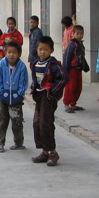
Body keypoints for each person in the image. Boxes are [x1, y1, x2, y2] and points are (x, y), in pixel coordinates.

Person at [30, 36, 67, 166]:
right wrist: (33, 89)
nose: (42, 52)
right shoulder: (35, 63)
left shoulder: (54, 65)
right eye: (40, 49)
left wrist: (53, 92)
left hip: (48, 97)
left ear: (51, 50)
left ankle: (53, 152)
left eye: (45, 49)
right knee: (37, 123)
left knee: (45, 123)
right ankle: (45, 151)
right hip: (39, 96)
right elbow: (35, 80)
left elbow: (63, 78)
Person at [0, 41, 28, 152]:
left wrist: (19, 93)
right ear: (5, 53)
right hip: (3, 98)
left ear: (19, 53)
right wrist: (0, 92)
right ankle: (0, 143)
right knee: (2, 121)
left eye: (14, 52)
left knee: (17, 122)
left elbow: (23, 82)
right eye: (9, 52)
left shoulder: (21, 66)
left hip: (16, 100)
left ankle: (18, 142)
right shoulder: (1, 64)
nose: (11, 55)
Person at [62, 25, 89, 112]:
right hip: (72, 69)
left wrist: (85, 66)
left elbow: (82, 57)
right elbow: (67, 56)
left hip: (78, 69)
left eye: (81, 33)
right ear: (73, 34)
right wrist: (65, 69)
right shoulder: (72, 44)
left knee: (78, 87)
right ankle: (67, 104)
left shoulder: (80, 44)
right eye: (77, 33)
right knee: (70, 87)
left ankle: (73, 104)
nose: (80, 35)